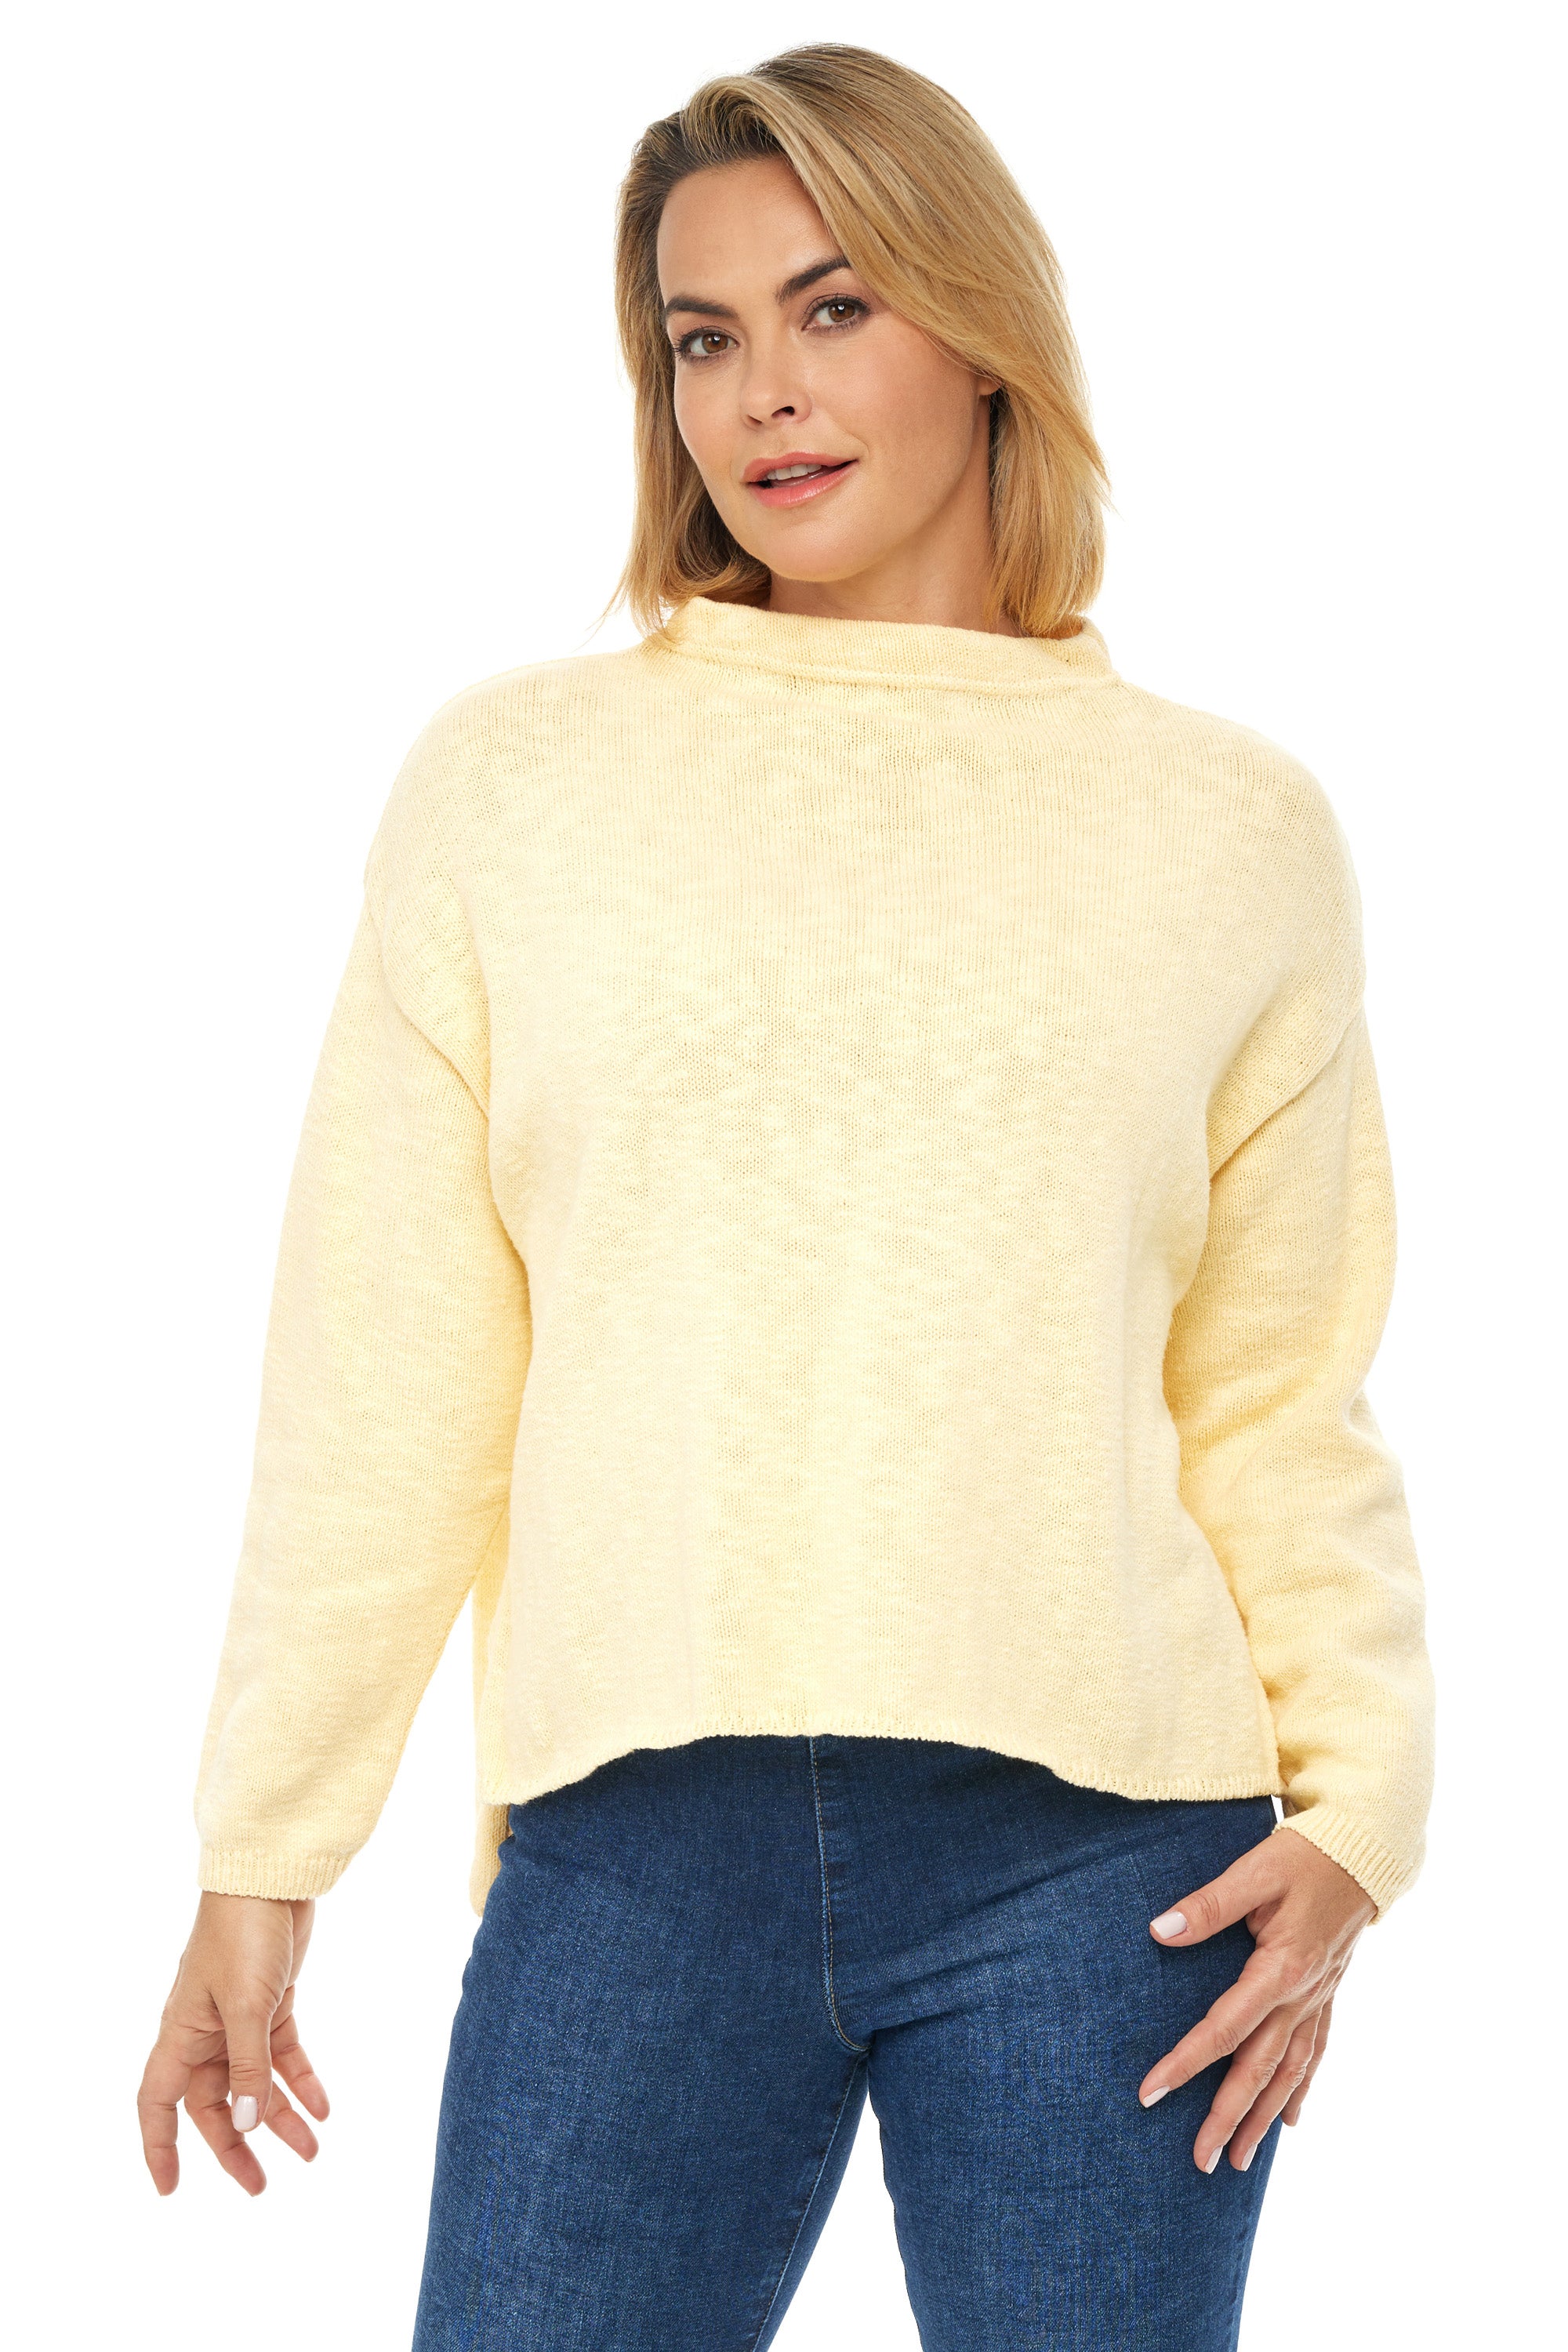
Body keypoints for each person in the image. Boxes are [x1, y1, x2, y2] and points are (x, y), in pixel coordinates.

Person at [137, 42, 1436, 2350]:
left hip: (1109, 1871)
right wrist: (267, 1849)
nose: (765, 394)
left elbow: (1274, 1384)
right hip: (639, 1851)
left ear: (983, 325)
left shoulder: (1230, 832)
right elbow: (388, 1368)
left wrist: (1361, 1810)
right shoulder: (516, 789)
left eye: (836, 307)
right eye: (702, 335)